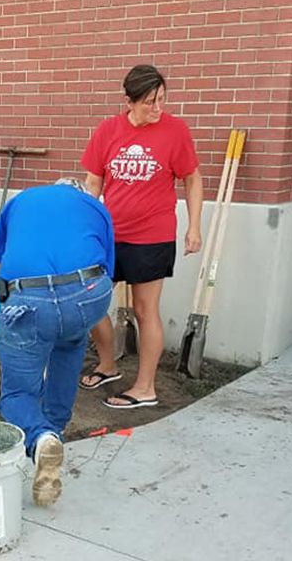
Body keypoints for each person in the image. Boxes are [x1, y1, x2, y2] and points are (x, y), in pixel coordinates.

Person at [0, 178, 114, 506]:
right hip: (88, 296)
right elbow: (105, 267)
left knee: (17, 393)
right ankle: (55, 433)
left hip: (30, 302)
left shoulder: (22, 201)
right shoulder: (96, 206)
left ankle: (41, 438)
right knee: (71, 339)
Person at [79, 64, 203, 409]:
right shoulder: (108, 131)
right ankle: (107, 365)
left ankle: (145, 387)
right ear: (128, 101)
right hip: (109, 234)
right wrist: (88, 228)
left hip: (153, 235)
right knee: (90, 303)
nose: (158, 108)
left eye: (162, 99)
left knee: (145, 310)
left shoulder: (175, 131)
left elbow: (192, 179)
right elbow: (93, 183)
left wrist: (194, 226)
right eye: (150, 101)